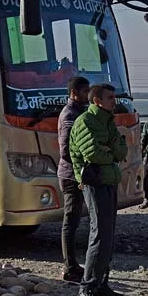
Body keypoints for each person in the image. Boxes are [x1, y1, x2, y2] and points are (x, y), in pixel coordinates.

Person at [69, 83, 129, 296]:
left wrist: (109, 147)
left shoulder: (108, 122)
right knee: (99, 235)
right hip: (94, 183)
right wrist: (109, 149)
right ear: (97, 101)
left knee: (108, 234)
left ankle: (102, 284)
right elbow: (93, 154)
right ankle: (86, 288)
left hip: (109, 181)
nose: (115, 101)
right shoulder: (85, 122)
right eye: (110, 97)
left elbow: (121, 152)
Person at [57, 76, 90, 283]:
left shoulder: (79, 112)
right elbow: (67, 151)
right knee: (70, 222)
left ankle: (73, 265)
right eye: (85, 91)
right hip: (71, 175)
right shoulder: (70, 115)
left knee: (75, 220)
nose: (88, 95)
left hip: (75, 174)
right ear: (74, 93)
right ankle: (69, 267)